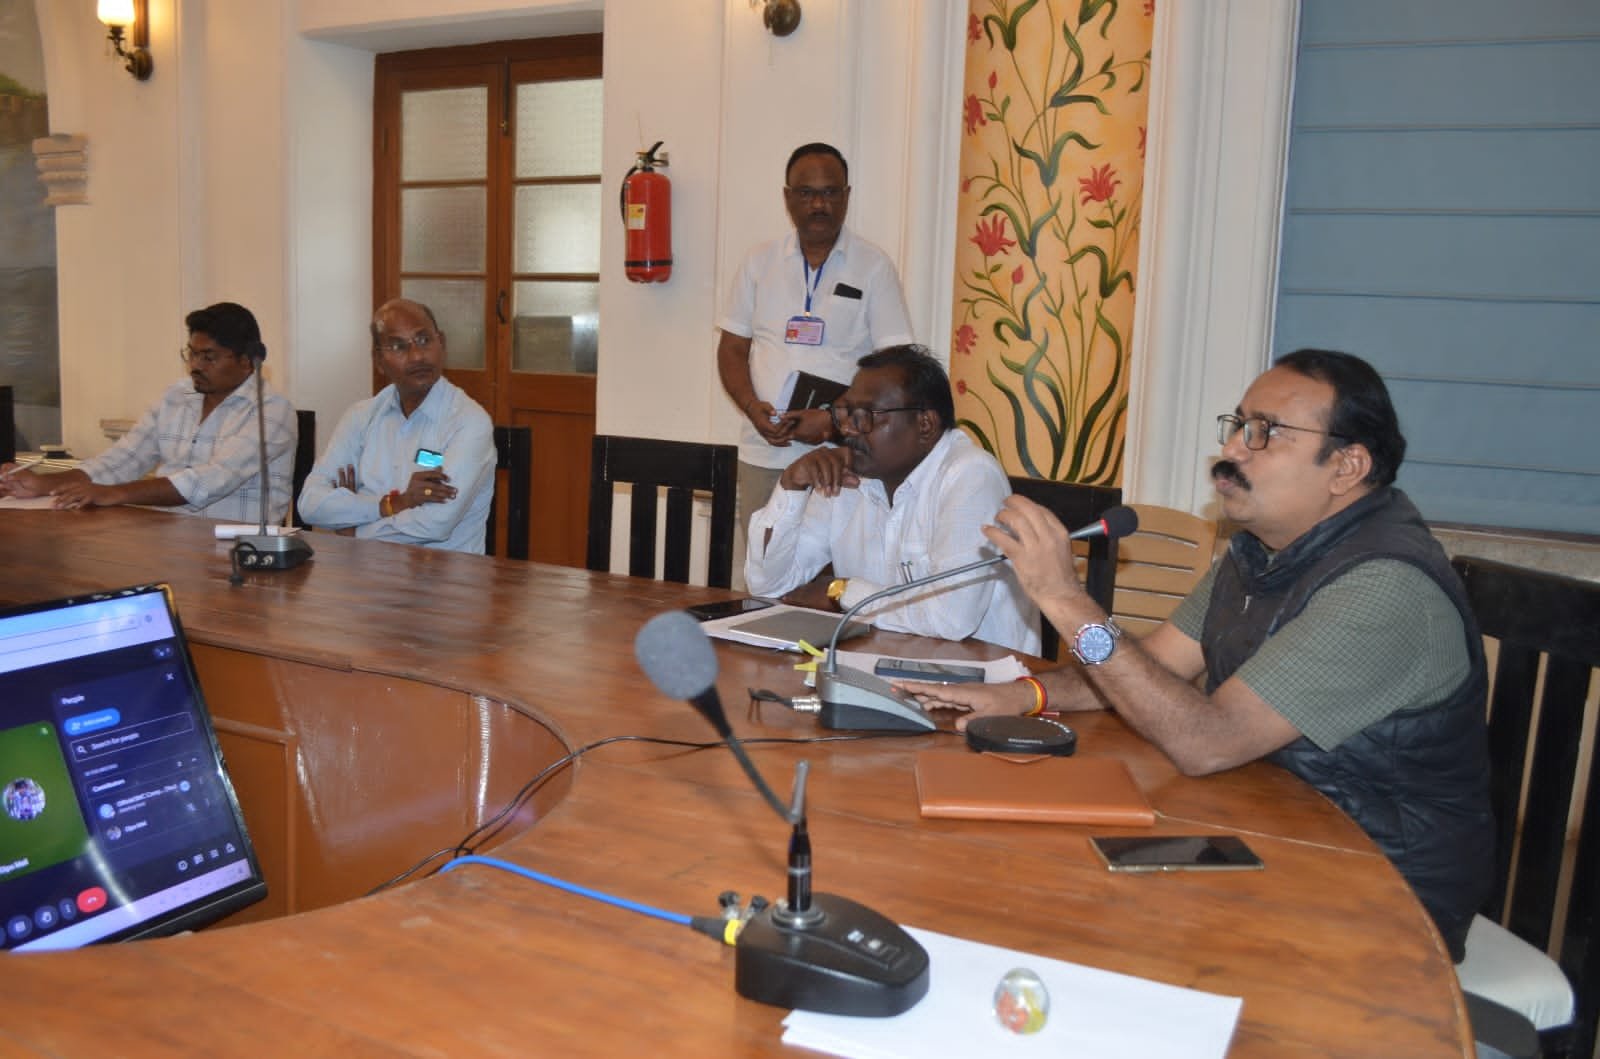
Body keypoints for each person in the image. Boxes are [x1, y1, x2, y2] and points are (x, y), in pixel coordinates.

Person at [904, 349, 1493, 962]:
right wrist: (1023, 695)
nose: (1233, 448)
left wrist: (1064, 598)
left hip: (1380, 892)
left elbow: (1207, 742)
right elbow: (1151, 667)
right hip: (1270, 829)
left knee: (1085, 922)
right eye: (1238, 425)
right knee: (1033, 869)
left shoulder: (1385, 588)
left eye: (1266, 432)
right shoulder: (1261, 555)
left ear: (1346, 466)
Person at [744, 344, 1039, 655]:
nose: (848, 429)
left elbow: (950, 619)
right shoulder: (847, 476)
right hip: (880, 661)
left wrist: (841, 592)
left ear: (925, 424)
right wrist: (791, 485)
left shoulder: (970, 475)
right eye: (845, 413)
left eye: (866, 416)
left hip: (983, 673)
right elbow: (769, 585)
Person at [716, 142, 915, 541]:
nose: (819, 204)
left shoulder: (874, 267)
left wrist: (832, 421)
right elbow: (732, 349)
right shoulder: (758, 263)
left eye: (830, 192)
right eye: (806, 193)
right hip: (764, 455)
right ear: (787, 197)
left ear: (847, 196)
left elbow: (896, 368)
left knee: (837, 568)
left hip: (843, 457)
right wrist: (753, 408)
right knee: (765, 562)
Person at [0, 301, 296, 523]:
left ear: (247, 361)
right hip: (165, 538)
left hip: (238, 552)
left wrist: (114, 493)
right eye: (192, 353)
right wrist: (44, 484)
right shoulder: (177, 396)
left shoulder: (271, 412)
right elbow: (122, 460)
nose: (196, 365)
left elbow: (210, 481)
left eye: (209, 357)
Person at [297, 298, 495, 553]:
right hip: (363, 572)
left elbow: (434, 524)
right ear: (378, 360)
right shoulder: (361, 417)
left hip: (441, 574)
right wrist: (393, 504)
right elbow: (310, 504)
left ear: (442, 344)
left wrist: (353, 530)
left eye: (424, 340)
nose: (417, 356)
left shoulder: (469, 422)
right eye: (398, 346)